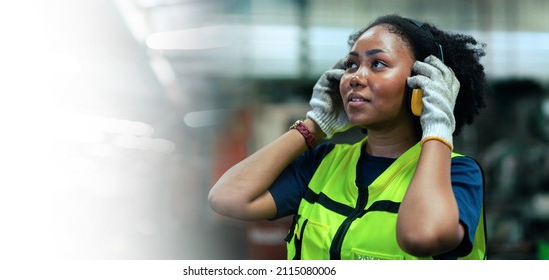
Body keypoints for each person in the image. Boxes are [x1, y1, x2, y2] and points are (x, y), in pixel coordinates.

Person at [209, 14, 488, 260]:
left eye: (378, 64)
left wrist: (438, 125)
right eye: (352, 65)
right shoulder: (323, 164)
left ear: (424, 84)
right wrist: (314, 125)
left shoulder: (458, 172)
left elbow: (421, 236)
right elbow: (228, 199)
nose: (355, 77)